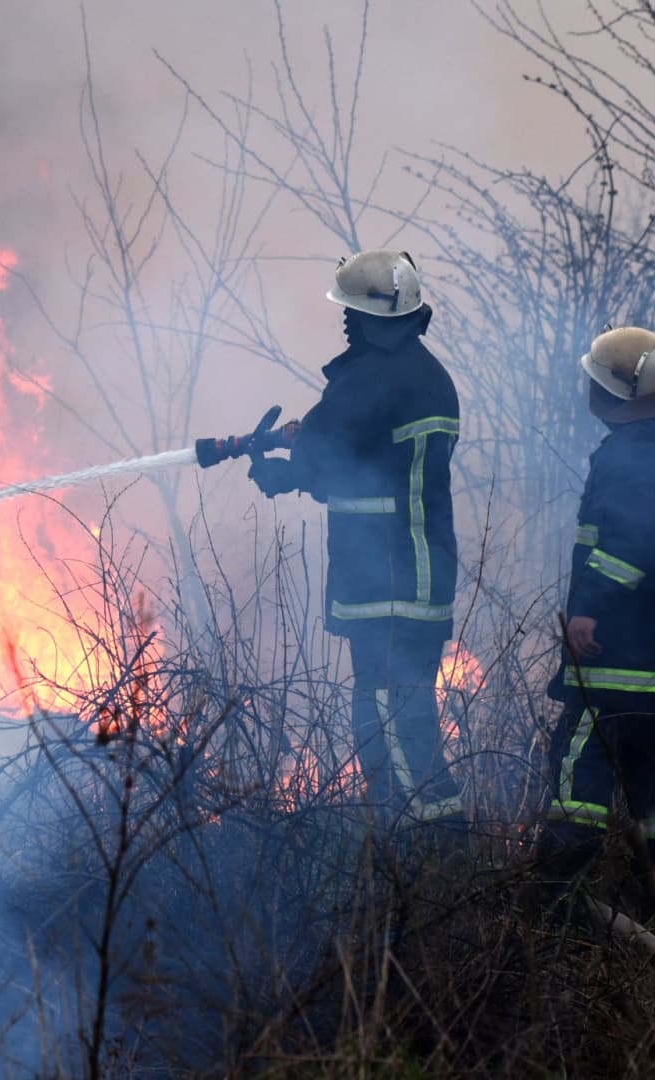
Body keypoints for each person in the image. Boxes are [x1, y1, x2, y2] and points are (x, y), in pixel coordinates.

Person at [245, 249, 464, 823]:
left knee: (388, 714)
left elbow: (326, 457)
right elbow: (366, 452)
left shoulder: (370, 378)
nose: (345, 322)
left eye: (349, 311)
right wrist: (304, 443)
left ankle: (427, 846)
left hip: (384, 576)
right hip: (425, 571)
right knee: (406, 708)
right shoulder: (429, 377)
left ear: (367, 318)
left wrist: (283, 471)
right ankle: (422, 837)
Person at [533, 326, 655, 911]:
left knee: (579, 766)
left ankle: (556, 905)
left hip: (623, 660)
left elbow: (630, 542)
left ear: (616, 395)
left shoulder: (632, 451)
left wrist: (589, 607)